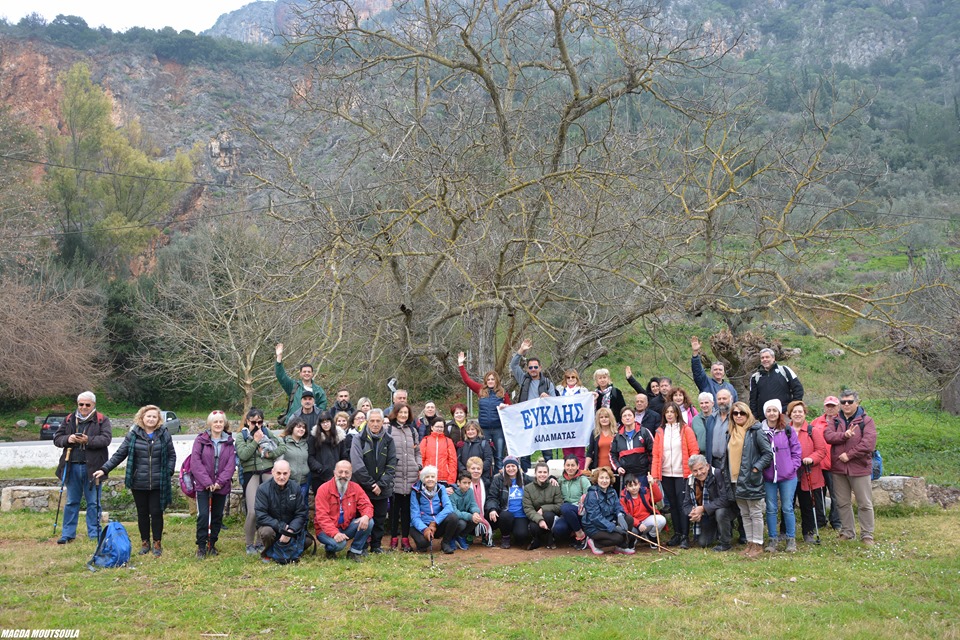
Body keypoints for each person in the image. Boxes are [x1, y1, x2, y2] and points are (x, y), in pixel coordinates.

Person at [94, 404, 176, 557]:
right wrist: (105, 469)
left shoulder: (164, 434)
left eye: (154, 416)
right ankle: (145, 542)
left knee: (156, 513)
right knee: (142, 513)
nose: (151, 419)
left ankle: (157, 543)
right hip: (138, 481)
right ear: (142, 417)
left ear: (158, 419)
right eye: (148, 416)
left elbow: (172, 455)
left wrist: (169, 471)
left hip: (159, 481)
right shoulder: (133, 434)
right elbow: (120, 454)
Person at [53, 391, 113, 545]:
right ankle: (67, 534)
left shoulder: (101, 420)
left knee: (94, 502)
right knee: (72, 502)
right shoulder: (69, 419)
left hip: (94, 468)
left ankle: (94, 534)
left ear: (93, 405)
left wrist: (88, 440)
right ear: (77, 404)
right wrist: (69, 438)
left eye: (87, 404)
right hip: (71, 466)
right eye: (81, 404)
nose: (84, 407)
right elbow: (57, 439)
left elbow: (106, 439)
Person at [823, 390, 876, 545]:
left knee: (864, 503)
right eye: (844, 402)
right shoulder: (836, 420)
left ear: (857, 402)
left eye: (850, 402)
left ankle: (867, 535)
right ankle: (847, 532)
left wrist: (849, 455)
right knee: (842, 502)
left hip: (859, 468)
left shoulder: (866, 421)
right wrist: (844, 436)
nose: (846, 404)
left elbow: (868, 444)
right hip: (839, 469)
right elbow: (828, 436)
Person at [650, 402, 700, 549]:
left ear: (677, 413)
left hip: (682, 473)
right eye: (667, 412)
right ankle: (677, 533)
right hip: (666, 473)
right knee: (672, 505)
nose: (670, 414)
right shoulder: (660, 431)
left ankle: (685, 535)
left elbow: (694, 451)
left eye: (672, 412)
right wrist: (654, 475)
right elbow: (656, 455)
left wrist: (692, 471)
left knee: (682, 504)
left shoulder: (686, 430)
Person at [727, 402, 774, 559]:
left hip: (751, 478)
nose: (739, 415)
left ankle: (758, 544)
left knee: (755, 511)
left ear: (748, 414)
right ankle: (750, 543)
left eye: (742, 413)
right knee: (744, 513)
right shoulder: (730, 432)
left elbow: (767, 453)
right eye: (735, 413)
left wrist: (756, 468)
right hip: (734, 479)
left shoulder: (756, 431)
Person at [237, 408, 286, 554]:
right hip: (251, 473)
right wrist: (255, 442)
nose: (257, 425)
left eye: (260, 422)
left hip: (267, 472)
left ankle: (260, 541)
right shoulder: (241, 436)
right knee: (252, 511)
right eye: (253, 422)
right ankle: (248, 543)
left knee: (267, 509)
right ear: (247, 421)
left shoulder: (267, 432)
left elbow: (282, 446)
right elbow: (243, 455)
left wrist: (268, 454)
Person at [190, 410, 237, 559]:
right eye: (215, 421)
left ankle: (212, 543)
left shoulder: (229, 442)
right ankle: (201, 546)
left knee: (217, 516)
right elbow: (195, 463)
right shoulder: (201, 440)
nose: (218, 424)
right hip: (203, 486)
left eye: (221, 421)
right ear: (210, 423)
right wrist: (208, 482)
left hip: (221, 486)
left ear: (224, 423)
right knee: (203, 515)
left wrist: (219, 482)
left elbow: (230, 465)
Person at [349, 408, 396, 554]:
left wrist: (381, 485)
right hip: (363, 488)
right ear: (367, 422)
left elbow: (391, 464)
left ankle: (376, 546)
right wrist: (370, 484)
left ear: (383, 422)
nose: (375, 424)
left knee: (380, 518)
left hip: (382, 488)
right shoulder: (358, 438)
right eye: (372, 421)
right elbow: (357, 465)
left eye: (378, 421)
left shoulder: (389, 440)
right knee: (362, 518)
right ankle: (361, 546)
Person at [760, 399, 802, 553]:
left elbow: (796, 451)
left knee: (787, 507)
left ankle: (791, 539)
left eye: (774, 410)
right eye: (769, 410)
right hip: (769, 476)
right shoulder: (760, 430)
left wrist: (792, 467)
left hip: (788, 476)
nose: (772, 413)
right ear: (765, 413)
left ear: (779, 413)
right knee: (771, 508)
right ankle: (772, 539)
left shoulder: (788, 430)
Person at [458, 352, 511, 470]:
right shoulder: (480, 390)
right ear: (485, 381)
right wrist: (461, 364)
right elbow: (467, 380)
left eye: (493, 379)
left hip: (498, 429)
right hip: (483, 429)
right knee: (483, 455)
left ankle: (499, 480)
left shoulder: (503, 393)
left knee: (499, 456)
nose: (491, 381)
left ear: (496, 380)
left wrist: (506, 407)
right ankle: (484, 479)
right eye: (488, 379)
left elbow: (511, 410)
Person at [510, 338, 556, 467]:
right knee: (525, 453)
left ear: (540, 368)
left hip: (544, 423)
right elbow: (513, 365)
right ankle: (525, 477)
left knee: (547, 454)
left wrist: (548, 398)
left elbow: (556, 403)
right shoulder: (523, 379)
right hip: (527, 422)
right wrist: (521, 350)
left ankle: (550, 477)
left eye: (536, 367)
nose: (533, 369)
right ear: (527, 369)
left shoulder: (547, 383)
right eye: (530, 367)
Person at [314, 460, 373, 562]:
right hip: (325, 530)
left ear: (351, 474)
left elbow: (367, 505)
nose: (343, 475)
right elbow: (322, 516)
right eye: (340, 472)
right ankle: (329, 549)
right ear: (334, 472)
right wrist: (335, 533)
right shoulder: (323, 489)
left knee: (369, 522)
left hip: (345, 527)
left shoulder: (356, 488)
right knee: (340, 544)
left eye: (347, 472)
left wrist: (366, 516)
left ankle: (354, 552)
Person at [789, 400, 828, 543]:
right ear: (790, 414)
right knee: (788, 504)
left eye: (800, 411)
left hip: (807, 472)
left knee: (807, 504)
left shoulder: (813, 431)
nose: (797, 414)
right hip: (790, 474)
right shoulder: (785, 430)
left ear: (805, 413)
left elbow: (821, 451)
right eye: (794, 412)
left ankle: (808, 532)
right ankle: (786, 532)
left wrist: (811, 459)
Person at [255, 460, 308, 563]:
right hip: (271, 527)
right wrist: (283, 527)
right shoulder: (262, 489)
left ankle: (284, 549)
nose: (282, 477)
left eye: (285, 473)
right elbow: (261, 515)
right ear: (273, 472)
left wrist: (291, 530)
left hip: (290, 527)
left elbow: (301, 513)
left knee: (307, 541)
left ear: (289, 473)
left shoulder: (295, 487)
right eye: (278, 473)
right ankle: (268, 553)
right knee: (267, 533)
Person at [386, 402, 421, 552]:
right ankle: (394, 539)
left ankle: (405, 540)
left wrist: (418, 465)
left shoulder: (412, 431)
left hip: (411, 476)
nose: (403, 415)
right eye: (401, 412)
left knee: (407, 510)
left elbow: (418, 451)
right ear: (396, 413)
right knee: (394, 510)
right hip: (395, 475)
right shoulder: (388, 430)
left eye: (406, 413)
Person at [683, 455, 736, 551]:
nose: (699, 473)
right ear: (691, 471)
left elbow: (725, 499)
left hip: (724, 511)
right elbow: (686, 504)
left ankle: (725, 543)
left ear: (707, 466)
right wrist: (693, 512)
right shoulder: (690, 481)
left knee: (720, 512)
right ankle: (718, 531)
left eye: (701, 468)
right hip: (706, 515)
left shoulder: (718, 474)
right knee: (703, 543)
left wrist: (703, 508)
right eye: (695, 470)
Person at [410, 466, 463, 554]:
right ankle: (422, 543)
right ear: (423, 478)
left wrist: (435, 522)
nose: (430, 479)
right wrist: (425, 529)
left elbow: (448, 507)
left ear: (436, 478)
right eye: (427, 477)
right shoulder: (415, 491)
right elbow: (414, 516)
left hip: (436, 523)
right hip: (422, 524)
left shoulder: (441, 488)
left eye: (432, 476)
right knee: (423, 544)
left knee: (453, 517)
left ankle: (445, 543)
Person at [582, 466, 633, 555]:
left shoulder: (612, 491)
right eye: (601, 478)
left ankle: (621, 547)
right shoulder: (592, 494)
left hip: (609, 520)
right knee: (618, 537)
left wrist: (620, 515)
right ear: (597, 479)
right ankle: (595, 543)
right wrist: (613, 527)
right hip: (594, 526)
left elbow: (617, 506)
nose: (604, 481)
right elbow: (595, 517)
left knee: (628, 519)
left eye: (607, 478)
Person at [810, 396, 843, 530]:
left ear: (838, 407)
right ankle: (820, 520)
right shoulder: (816, 422)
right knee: (818, 495)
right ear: (824, 406)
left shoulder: (841, 422)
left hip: (835, 465)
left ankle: (836, 522)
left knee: (836, 495)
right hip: (818, 465)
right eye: (828, 406)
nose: (830, 408)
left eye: (833, 406)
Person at [275, 343, 327, 423]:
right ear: (300, 374)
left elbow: (322, 408)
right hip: (293, 424)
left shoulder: (319, 390)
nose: (306, 373)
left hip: (311, 425)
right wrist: (279, 357)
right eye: (304, 371)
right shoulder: (293, 386)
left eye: (309, 372)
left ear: (312, 374)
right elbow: (281, 376)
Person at [485, 456, 530, 549]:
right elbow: (492, 497)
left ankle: (516, 533)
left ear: (518, 467)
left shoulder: (525, 479)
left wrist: (552, 478)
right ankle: (505, 537)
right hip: (505, 513)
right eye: (508, 466)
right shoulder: (498, 479)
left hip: (521, 514)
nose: (511, 469)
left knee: (521, 536)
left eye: (513, 466)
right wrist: (492, 509)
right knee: (506, 516)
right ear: (504, 468)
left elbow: (540, 480)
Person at [748, 347, 804, 421]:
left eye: (767, 357)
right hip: (765, 418)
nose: (765, 359)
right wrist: (755, 416)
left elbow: (798, 389)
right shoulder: (755, 377)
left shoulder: (784, 370)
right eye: (762, 358)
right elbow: (753, 400)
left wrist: (792, 408)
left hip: (784, 415)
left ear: (773, 358)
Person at [523, 461, 563, 550]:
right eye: (540, 472)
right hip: (535, 517)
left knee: (548, 515)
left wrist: (543, 508)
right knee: (534, 527)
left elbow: (559, 505)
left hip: (550, 517)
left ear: (548, 474)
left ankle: (550, 538)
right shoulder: (528, 488)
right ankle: (536, 540)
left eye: (545, 472)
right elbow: (528, 508)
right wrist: (539, 520)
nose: (542, 475)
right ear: (535, 473)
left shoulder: (554, 486)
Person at [553, 455, 591, 548]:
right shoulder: (561, 480)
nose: (570, 468)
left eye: (573, 465)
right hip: (566, 513)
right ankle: (573, 536)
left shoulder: (583, 480)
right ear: (564, 466)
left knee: (565, 507)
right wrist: (551, 477)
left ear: (578, 466)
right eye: (568, 465)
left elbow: (590, 498)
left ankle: (580, 534)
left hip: (580, 512)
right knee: (558, 529)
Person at [610, 407, 654, 485]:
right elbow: (612, 455)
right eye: (625, 416)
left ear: (634, 417)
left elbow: (654, 452)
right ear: (622, 419)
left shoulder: (644, 432)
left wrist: (652, 471)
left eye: (629, 415)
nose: (627, 418)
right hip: (626, 476)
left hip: (643, 475)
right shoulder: (617, 437)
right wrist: (618, 467)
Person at [309, 411, 349, 496]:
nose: (325, 424)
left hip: (337, 476)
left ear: (331, 422)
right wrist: (320, 468)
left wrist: (341, 470)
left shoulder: (339, 437)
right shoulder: (314, 437)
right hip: (319, 477)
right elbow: (310, 456)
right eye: (323, 422)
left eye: (327, 421)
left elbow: (344, 456)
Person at [620, 473, 665, 546]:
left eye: (635, 485)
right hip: (633, 523)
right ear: (626, 488)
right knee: (632, 531)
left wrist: (653, 484)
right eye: (631, 486)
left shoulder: (644, 491)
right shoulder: (623, 498)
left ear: (639, 484)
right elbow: (626, 515)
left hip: (646, 519)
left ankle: (652, 536)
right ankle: (634, 539)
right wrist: (638, 524)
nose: (634, 488)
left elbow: (658, 498)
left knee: (661, 520)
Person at [690, 336, 738, 402]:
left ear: (724, 372)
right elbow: (697, 372)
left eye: (720, 370)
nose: (718, 372)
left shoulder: (730, 388)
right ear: (711, 372)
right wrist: (695, 353)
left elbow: (735, 405)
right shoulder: (705, 383)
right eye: (715, 370)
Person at [279, 417, 311, 507]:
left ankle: (303, 521)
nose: (301, 429)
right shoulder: (284, 442)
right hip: (288, 482)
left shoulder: (306, 444)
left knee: (302, 506)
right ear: (292, 428)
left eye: (303, 427)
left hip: (304, 482)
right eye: (298, 427)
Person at [463, 457, 494, 546]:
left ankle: (486, 535)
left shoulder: (487, 483)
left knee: (492, 511)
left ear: (482, 470)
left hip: (483, 511)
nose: (476, 471)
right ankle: (469, 534)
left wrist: (491, 509)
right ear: (468, 469)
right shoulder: (463, 484)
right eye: (473, 468)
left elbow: (490, 499)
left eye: (478, 469)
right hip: (469, 512)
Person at [450, 472, 483, 550]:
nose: (467, 485)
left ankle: (461, 536)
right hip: (455, 518)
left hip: (465, 516)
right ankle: (451, 538)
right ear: (458, 482)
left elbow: (473, 504)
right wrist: (470, 516)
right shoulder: (452, 494)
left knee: (476, 520)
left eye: (469, 483)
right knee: (462, 524)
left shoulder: (470, 491)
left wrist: (475, 512)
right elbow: (454, 511)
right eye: (464, 483)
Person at [421, 416, 458, 485]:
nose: (439, 429)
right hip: (428, 478)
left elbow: (453, 462)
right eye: (437, 426)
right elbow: (421, 460)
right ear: (432, 427)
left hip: (444, 479)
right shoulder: (425, 441)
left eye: (441, 427)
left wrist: (451, 481)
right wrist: (421, 476)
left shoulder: (448, 441)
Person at [592, 368, 625, 440]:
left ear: (608, 378)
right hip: (600, 426)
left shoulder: (616, 392)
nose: (602, 380)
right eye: (600, 378)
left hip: (615, 425)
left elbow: (623, 408)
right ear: (596, 380)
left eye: (604, 377)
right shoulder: (594, 394)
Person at [584, 407, 617, 471]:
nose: (604, 419)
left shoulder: (616, 433)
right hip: (599, 469)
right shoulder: (595, 433)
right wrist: (585, 468)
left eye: (606, 417)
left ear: (610, 418)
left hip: (614, 469)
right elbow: (590, 452)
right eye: (601, 417)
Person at [690, 393, 717, 465]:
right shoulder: (695, 420)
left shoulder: (719, 418)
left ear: (712, 403)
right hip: (701, 457)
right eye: (701, 403)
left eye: (706, 402)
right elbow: (693, 439)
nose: (704, 405)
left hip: (716, 457)